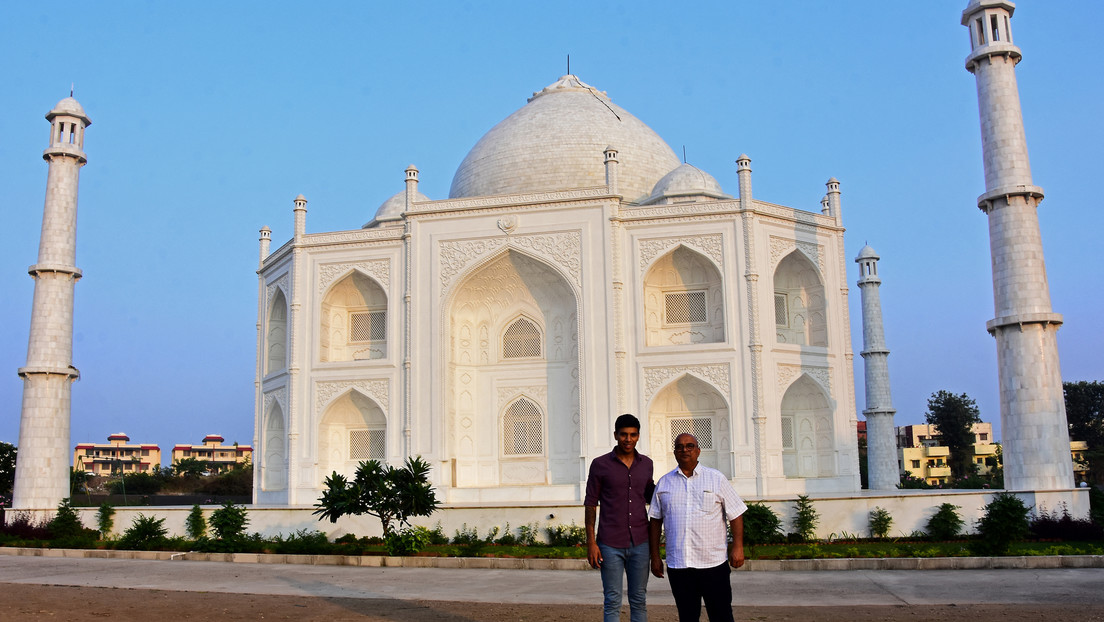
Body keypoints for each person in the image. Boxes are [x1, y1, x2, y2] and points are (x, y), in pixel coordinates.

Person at [648, 433, 747, 622]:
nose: (684, 450)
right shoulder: (664, 483)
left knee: (722, 616)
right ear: (674, 452)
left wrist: (738, 547)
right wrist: (655, 556)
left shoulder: (716, 479)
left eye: (690, 446)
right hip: (680, 565)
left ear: (698, 451)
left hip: (713, 564)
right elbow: (655, 521)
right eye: (679, 447)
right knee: (687, 617)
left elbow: (735, 513)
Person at [584, 413, 655, 622]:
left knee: (639, 599)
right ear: (615, 435)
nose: (628, 439)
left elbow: (651, 495)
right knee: (612, 600)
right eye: (623, 434)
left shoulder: (646, 464)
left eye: (633, 435)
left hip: (640, 542)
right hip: (610, 543)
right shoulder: (600, 465)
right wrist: (591, 543)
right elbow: (590, 504)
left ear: (638, 436)